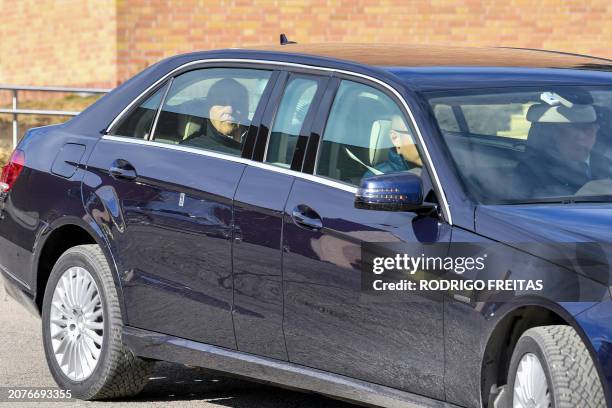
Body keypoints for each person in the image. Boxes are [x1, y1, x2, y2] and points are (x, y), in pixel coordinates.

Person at [515, 100, 612, 198]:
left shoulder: (608, 164)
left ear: (596, 132)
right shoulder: (530, 170)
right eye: (574, 131)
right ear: (555, 133)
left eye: (589, 130)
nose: (581, 138)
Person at [181, 78, 250, 155]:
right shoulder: (192, 150)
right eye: (221, 103)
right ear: (207, 110)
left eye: (237, 103)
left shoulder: (263, 139)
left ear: (247, 109)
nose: (229, 110)